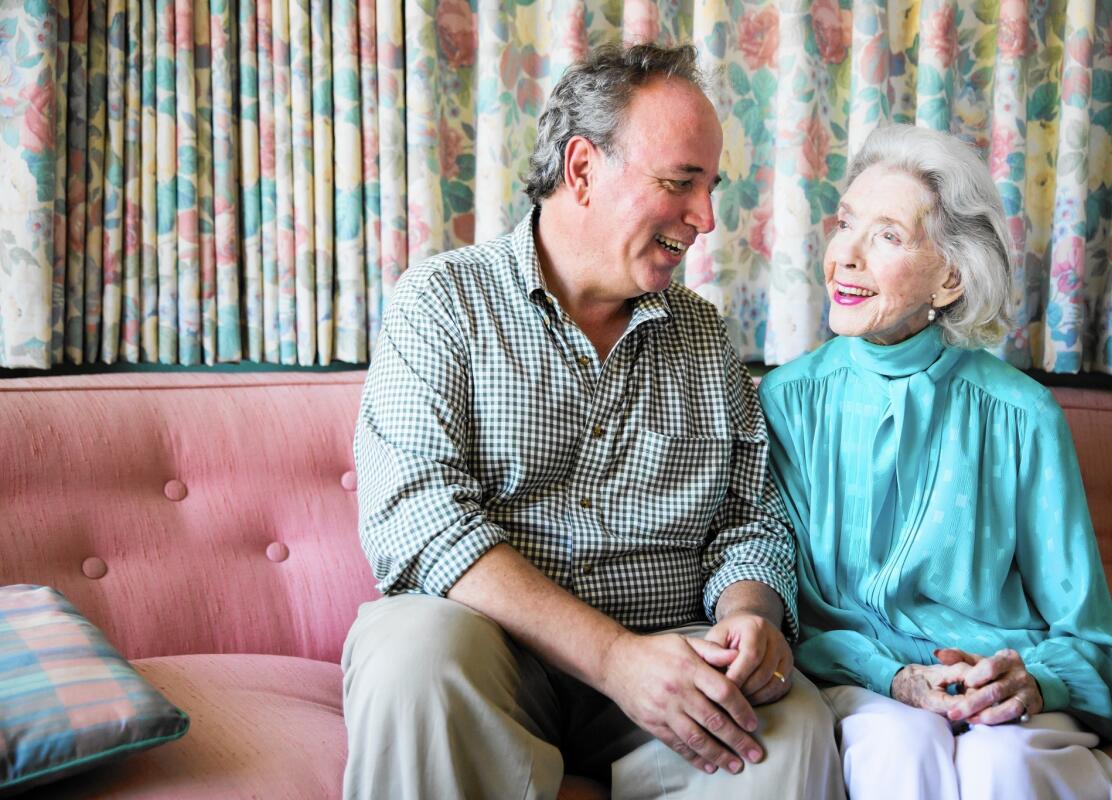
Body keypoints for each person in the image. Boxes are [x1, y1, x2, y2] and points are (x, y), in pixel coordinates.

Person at [342, 43, 842, 800]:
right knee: (413, 650)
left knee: (791, 718)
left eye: (710, 188)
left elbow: (750, 519)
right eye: (681, 183)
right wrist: (613, 659)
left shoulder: (705, 338)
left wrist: (750, 615)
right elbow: (416, 518)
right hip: (490, 654)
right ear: (582, 169)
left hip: (668, 649)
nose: (705, 219)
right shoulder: (443, 302)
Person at [759, 123, 1112, 799]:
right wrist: (895, 678)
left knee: (1004, 765)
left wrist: (1031, 681)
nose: (845, 254)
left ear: (950, 278)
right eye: (845, 223)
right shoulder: (789, 403)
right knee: (898, 748)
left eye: (887, 235)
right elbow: (792, 612)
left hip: (998, 682)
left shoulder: (1023, 416)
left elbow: (1092, 637)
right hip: (863, 682)